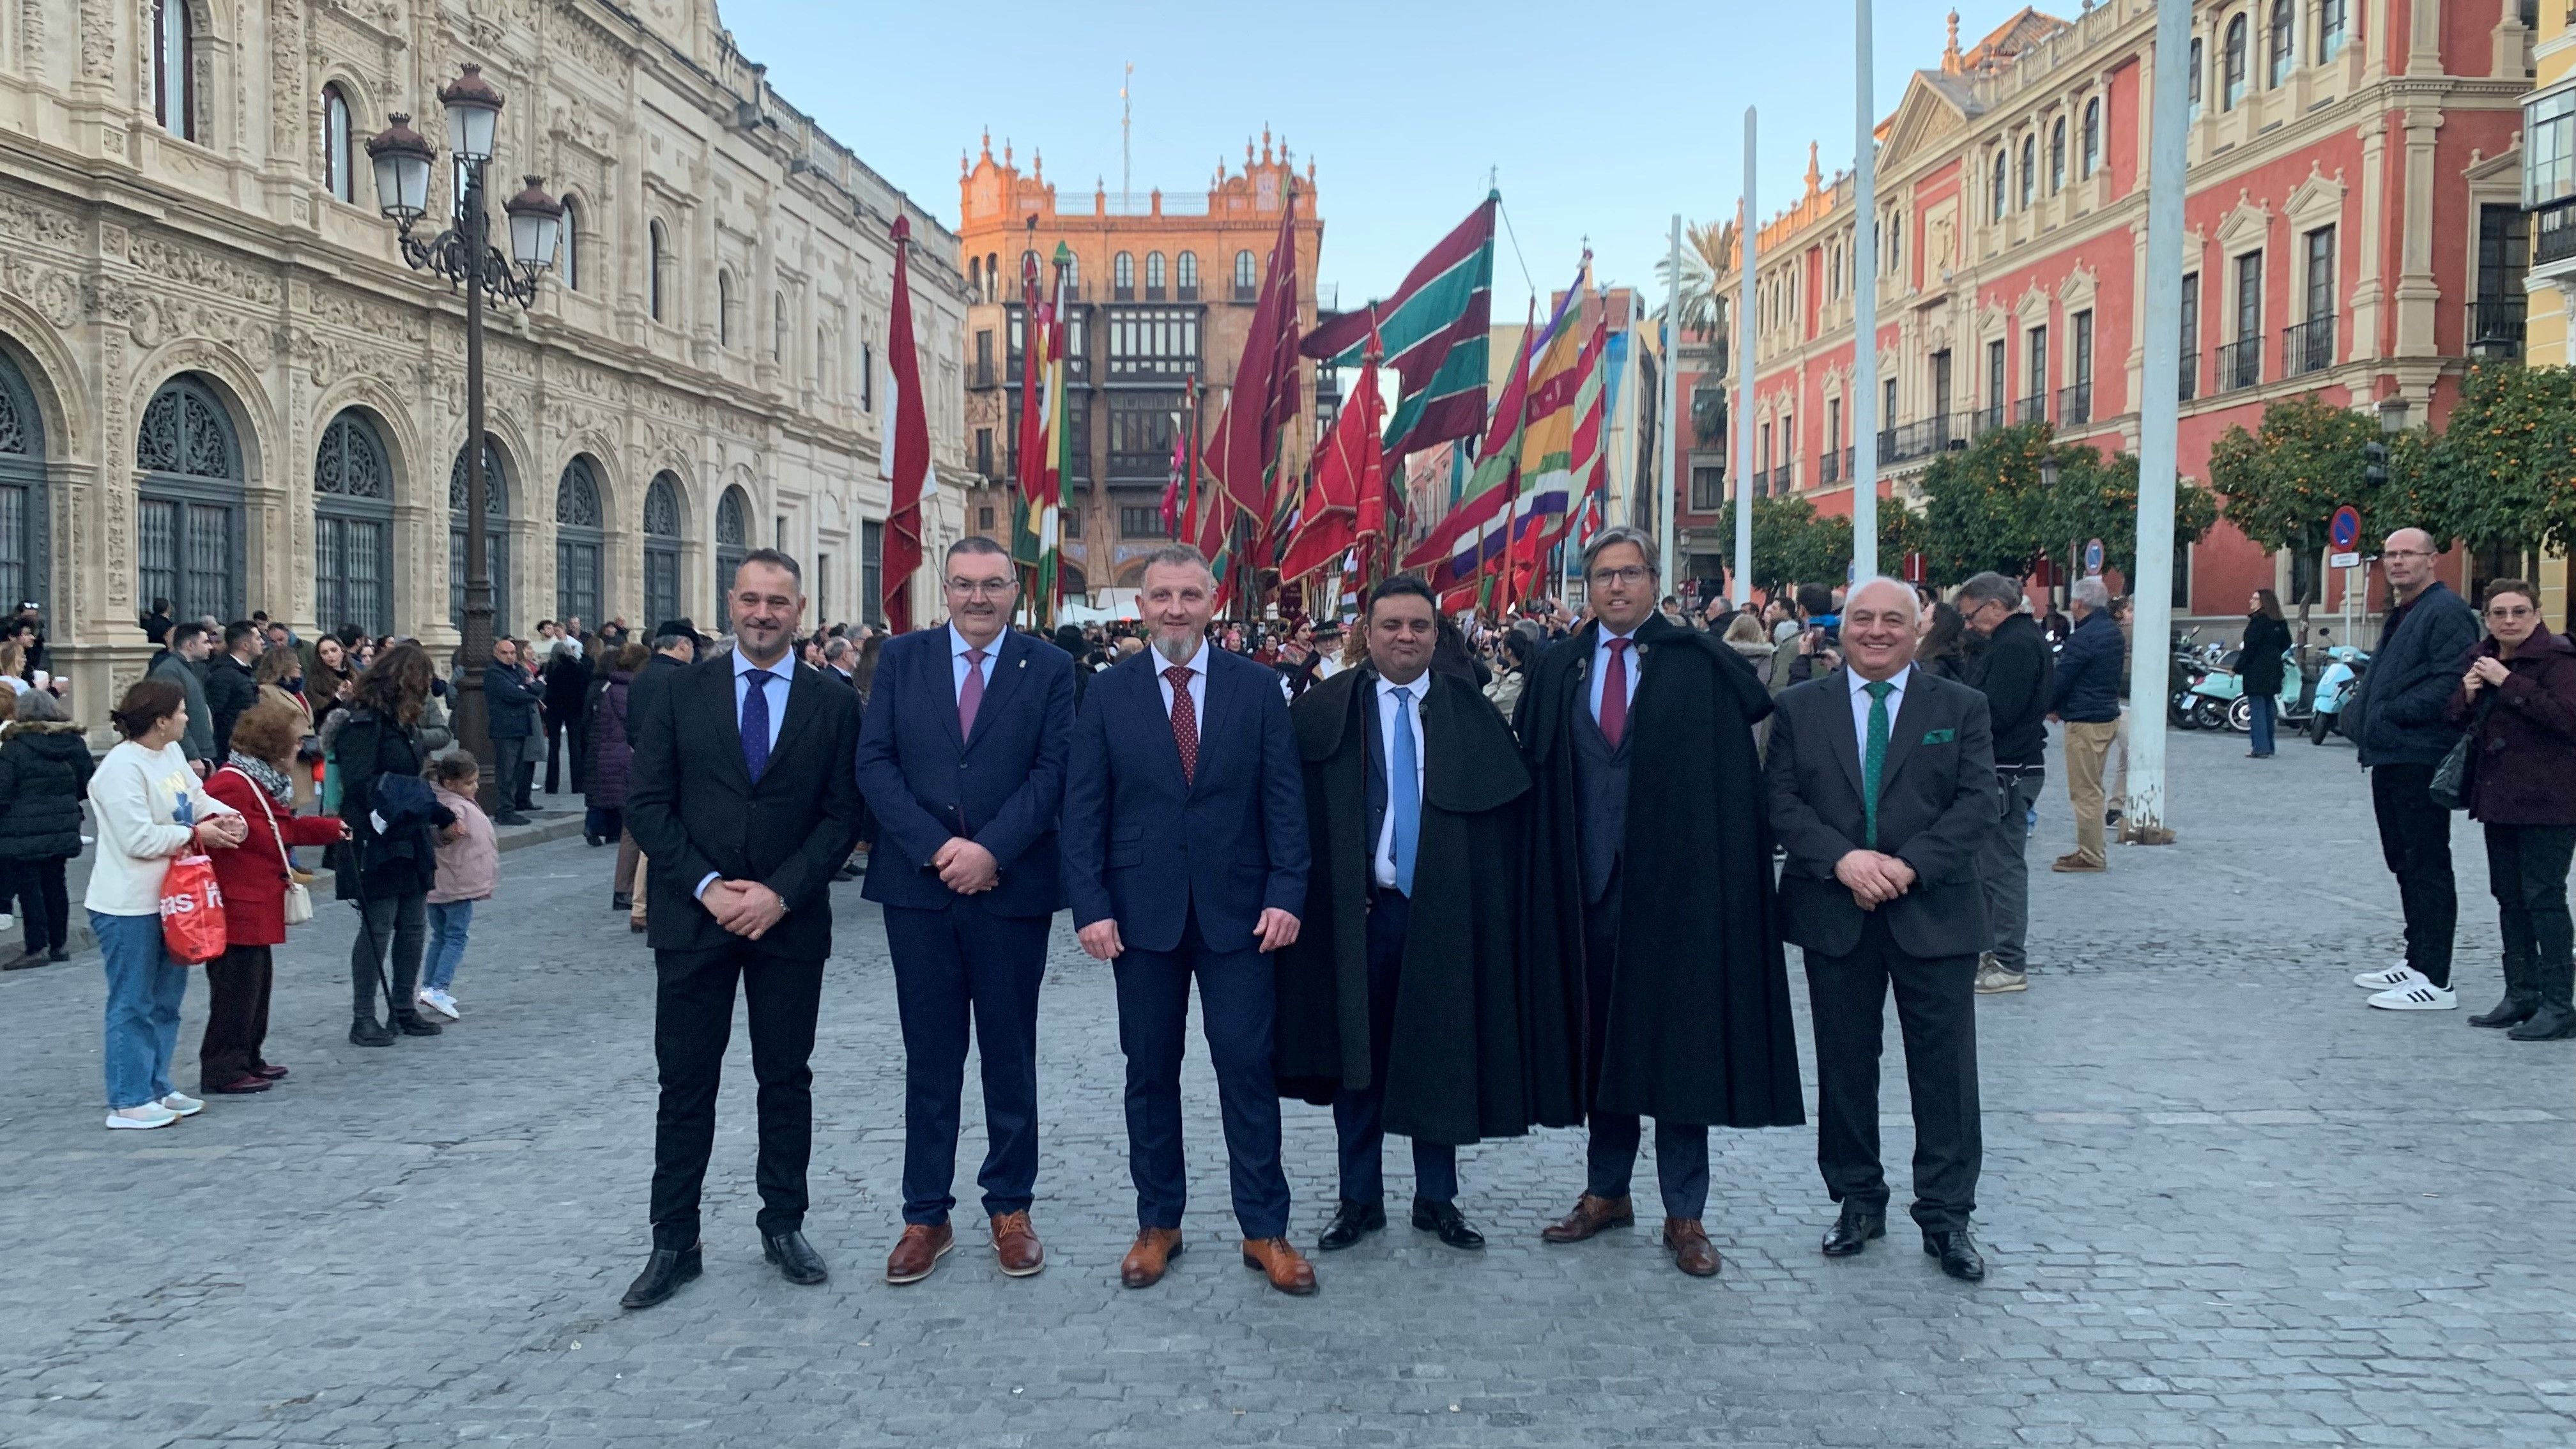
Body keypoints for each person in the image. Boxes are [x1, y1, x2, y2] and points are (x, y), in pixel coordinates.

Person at [1516, 526, 1805, 1279]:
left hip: (1675, 896)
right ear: (1589, 586)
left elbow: (1734, 792)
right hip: (1587, 896)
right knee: (1600, 1047)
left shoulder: (1697, 666)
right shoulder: (1562, 668)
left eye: (1632, 574)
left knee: (1681, 1051)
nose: (1617, 587)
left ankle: (1686, 1212)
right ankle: (1607, 1192)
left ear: (1655, 582)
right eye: (1604, 576)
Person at [1275, 577, 1572, 1257]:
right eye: (1391, 626)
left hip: (1445, 917)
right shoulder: (1325, 710)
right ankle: (1360, 1199)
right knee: (1359, 1061)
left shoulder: (1470, 712)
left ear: (1436, 634)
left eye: (1418, 626)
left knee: (1444, 1053)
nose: (1404, 637)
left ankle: (1437, 1199)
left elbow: (1505, 823)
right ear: (1367, 633)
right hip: (1360, 918)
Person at [1061, 543, 1316, 1297]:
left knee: (1247, 1068)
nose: (1175, 609)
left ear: (1213, 600)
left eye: (1189, 596)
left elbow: (1284, 802)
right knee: (1150, 1072)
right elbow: (1084, 811)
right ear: (1140, 606)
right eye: (1161, 596)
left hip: (1242, 915)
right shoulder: (1107, 694)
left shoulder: (1258, 688)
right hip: (1141, 918)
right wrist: (1091, 906)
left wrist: (1287, 892)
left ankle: (1264, 1228)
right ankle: (1158, 1222)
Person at [619, 551, 862, 1311]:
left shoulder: (834, 703)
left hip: (787, 922)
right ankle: (674, 1239)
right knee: (685, 1082)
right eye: (752, 599)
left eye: (779, 602)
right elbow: (648, 804)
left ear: (800, 609)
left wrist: (780, 894)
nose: (763, 613)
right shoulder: (676, 691)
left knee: (785, 1078)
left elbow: (844, 814)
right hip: (695, 918)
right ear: (731, 602)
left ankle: (783, 1222)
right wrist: (707, 888)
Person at [855, 537, 1075, 1285]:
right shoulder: (903, 660)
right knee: (930, 1054)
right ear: (942, 590)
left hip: (1011, 890)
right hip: (918, 890)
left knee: (1010, 1053)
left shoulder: (1049, 668)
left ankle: (1010, 1207)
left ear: (1015, 590)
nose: (978, 598)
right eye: (963, 585)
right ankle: (926, 1214)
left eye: (993, 585)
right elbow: (874, 764)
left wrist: (993, 851)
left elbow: (1054, 771)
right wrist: (940, 848)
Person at [1765, 578, 1998, 1282]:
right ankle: (1857, 1200)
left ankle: (1947, 1215)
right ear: (1842, 629)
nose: (1875, 631)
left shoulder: (1960, 707)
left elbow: (1977, 800)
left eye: (1891, 620)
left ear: (1917, 628)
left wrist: (1905, 867)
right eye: (1862, 619)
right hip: (1836, 913)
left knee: (1946, 1072)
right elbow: (1778, 800)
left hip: (1934, 911)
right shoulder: (1799, 709)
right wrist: (1844, 860)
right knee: (1843, 1066)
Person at [86, 678, 247, 1128]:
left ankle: (156, 1083)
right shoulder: (121, 769)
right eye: (180, 711)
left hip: (176, 898)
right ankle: (128, 1097)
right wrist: (197, 835)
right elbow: (137, 837)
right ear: (160, 721)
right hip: (129, 903)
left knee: (166, 1001)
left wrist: (222, 816)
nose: (187, 717)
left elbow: (193, 799)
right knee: (133, 1001)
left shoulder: (171, 754)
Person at [2347, 528, 2480, 1011]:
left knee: (2426, 862)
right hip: (2392, 753)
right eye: (2391, 555)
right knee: (2403, 859)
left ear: (2432, 560)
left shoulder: (2445, 611)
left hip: (2419, 751)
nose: (2398, 562)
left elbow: (2451, 679)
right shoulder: (2405, 610)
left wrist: (2389, 713)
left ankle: (2436, 978)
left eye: (2408, 554)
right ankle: (2416, 958)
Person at [2442, 580, 2576, 1039]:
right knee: (2508, 896)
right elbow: (2457, 719)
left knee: (2544, 896)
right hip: (2498, 796)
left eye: (2520, 611)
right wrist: (2468, 693)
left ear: (2537, 615)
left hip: (2551, 799)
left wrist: (2509, 683)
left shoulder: (2560, 660)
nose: (2510, 621)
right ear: (2487, 618)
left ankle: (2560, 1004)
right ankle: (2521, 993)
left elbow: (2568, 718)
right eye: (2499, 613)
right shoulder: (2480, 657)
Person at [200, 702, 348, 1094]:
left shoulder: (258, 781)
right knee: (235, 990)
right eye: (295, 741)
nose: (301, 748)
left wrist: (331, 829)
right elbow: (250, 834)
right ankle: (224, 1067)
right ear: (274, 745)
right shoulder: (232, 783)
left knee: (256, 987)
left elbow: (282, 828)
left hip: (256, 897)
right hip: (238, 900)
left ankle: (248, 1056)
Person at [334, 642, 456, 1046]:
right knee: (378, 927)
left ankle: (404, 1008)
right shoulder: (363, 724)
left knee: (414, 925)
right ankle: (363, 1016)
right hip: (376, 836)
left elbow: (411, 781)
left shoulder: (402, 725)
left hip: (407, 831)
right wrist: (411, 804)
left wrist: (435, 813)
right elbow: (359, 784)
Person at [1952, 574, 2053, 995]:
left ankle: (2009, 961)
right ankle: (1994, 953)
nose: (1970, 624)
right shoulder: (2018, 640)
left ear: (1995, 606)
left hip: (2009, 770)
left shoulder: (2015, 645)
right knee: (1990, 867)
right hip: (2011, 767)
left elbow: (1997, 711)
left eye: (1972, 615)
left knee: (2002, 869)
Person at [0, 689, 91, 969]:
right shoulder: (72, 743)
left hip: (22, 826)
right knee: (56, 882)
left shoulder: (15, 746)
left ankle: (37, 946)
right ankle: (59, 944)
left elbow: (3, 789)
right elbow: (87, 782)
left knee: (31, 888)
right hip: (62, 823)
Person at [2047, 577, 2123, 873]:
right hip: (2105, 715)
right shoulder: (2112, 632)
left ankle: (2091, 854)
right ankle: (2089, 848)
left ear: (2078, 603)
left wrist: (2050, 706)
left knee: (2085, 791)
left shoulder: (2084, 637)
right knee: (2094, 786)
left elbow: (2064, 678)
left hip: (2085, 720)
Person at [420, 753, 496, 1022]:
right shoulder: (454, 807)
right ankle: (438, 988)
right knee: (455, 937)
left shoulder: (445, 801)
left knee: (440, 936)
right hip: (456, 883)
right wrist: (449, 834)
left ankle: (430, 986)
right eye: (469, 783)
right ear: (450, 783)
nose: (475, 787)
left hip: (441, 883)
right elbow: (441, 836)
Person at [589, 641, 648, 907]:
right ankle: (628, 890)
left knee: (631, 827)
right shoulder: (628, 690)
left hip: (614, 759)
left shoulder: (611, 687)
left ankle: (625, 889)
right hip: (626, 761)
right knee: (634, 828)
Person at [482, 638, 543, 825]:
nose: (510, 657)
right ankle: (505, 810)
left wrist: (527, 687)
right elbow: (513, 694)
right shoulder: (494, 673)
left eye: (512, 653)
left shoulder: (517, 670)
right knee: (506, 772)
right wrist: (526, 689)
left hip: (520, 727)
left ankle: (513, 806)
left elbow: (538, 687)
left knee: (517, 771)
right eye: (505, 653)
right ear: (496, 654)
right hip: (506, 729)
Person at [151, 622, 218, 772]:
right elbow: (172, 715)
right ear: (190, 645)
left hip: (199, 752)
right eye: (206, 642)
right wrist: (193, 755)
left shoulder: (190, 669)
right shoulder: (170, 671)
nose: (211, 647)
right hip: (185, 757)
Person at [2241, 589, 2293, 759]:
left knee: (2257, 709)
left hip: (2256, 671)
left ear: (2263, 602)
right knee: (2269, 708)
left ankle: (2259, 747)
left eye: (2255, 599)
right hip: (2274, 670)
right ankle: (2269, 745)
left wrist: (2236, 668)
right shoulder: (2279, 623)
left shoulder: (2257, 623)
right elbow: (2287, 643)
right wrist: (2273, 655)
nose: (2251, 601)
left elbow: (2249, 649)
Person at [544, 632, 592, 798]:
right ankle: (577, 784)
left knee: (553, 747)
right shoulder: (577, 667)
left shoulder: (550, 667)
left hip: (554, 710)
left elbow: (546, 690)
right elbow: (582, 690)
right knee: (575, 748)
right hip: (574, 710)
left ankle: (551, 785)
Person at [204, 621, 263, 759]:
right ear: (245, 645)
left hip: (245, 748)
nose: (262, 642)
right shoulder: (224, 674)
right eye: (258, 638)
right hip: (230, 752)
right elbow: (216, 716)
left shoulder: (245, 671)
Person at [1915, 602, 1970, 681]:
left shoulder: (1932, 666)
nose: (1918, 617)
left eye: (1924, 613)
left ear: (1934, 625)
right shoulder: (1947, 656)